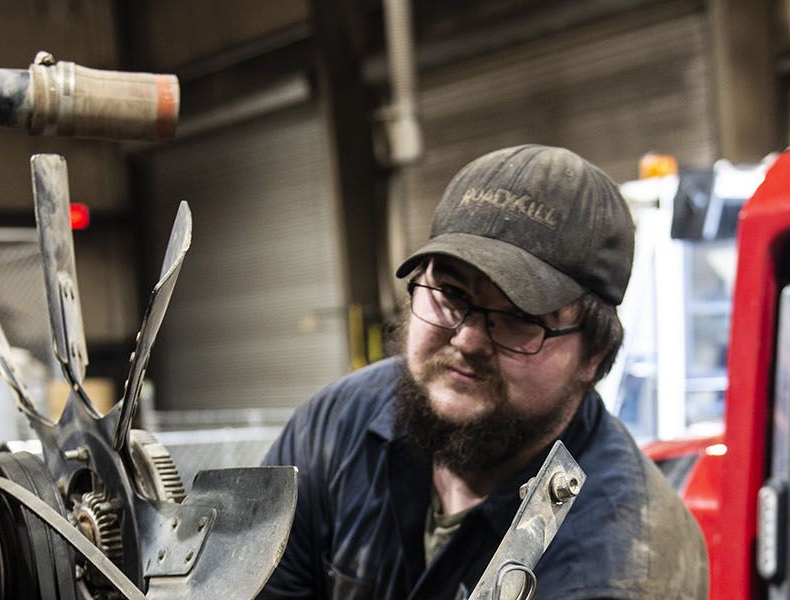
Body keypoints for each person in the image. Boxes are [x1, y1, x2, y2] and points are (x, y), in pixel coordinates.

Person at [258, 145, 708, 599]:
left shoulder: (621, 567)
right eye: (451, 294)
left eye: (517, 318)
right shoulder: (338, 424)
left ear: (595, 354)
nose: (468, 339)